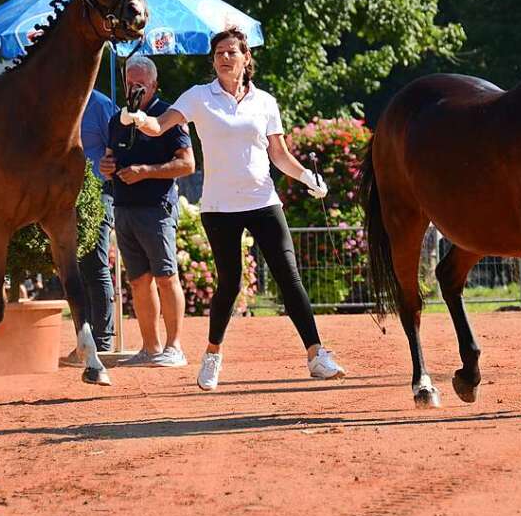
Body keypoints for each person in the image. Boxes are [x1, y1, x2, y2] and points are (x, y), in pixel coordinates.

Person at [120, 27, 345, 390]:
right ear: (213, 60)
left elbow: (279, 155)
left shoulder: (265, 102)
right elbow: (160, 126)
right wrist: (139, 120)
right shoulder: (198, 97)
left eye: (232, 52)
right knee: (230, 282)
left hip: (262, 200)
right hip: (220, 207)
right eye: (219, 53)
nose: (225, 58)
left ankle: (316, 354)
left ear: (246, 59)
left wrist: (307, 177)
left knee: (289, 277)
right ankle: (212, 356)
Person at [104, 55, 196, 367]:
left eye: (140, 84)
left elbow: (187, 164)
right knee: (139, 282)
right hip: (124, 207)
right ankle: (150, 348)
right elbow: (109, 158)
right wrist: (106, 167)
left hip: (157, 208)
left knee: (166, 276)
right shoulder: (117, 119)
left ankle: (175, 347)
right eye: (130, 83)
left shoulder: (169, 115)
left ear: (154, 85)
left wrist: (146, 170)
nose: (134, 89)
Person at [60, 88, 117, 366]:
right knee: (77, 268)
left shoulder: (101, 104)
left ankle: (102, 340)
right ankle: (87, 339)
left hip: (98, 191)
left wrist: (111, 163)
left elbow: (118, 145)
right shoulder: (56, 97)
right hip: (64, 194)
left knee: (95, 264)